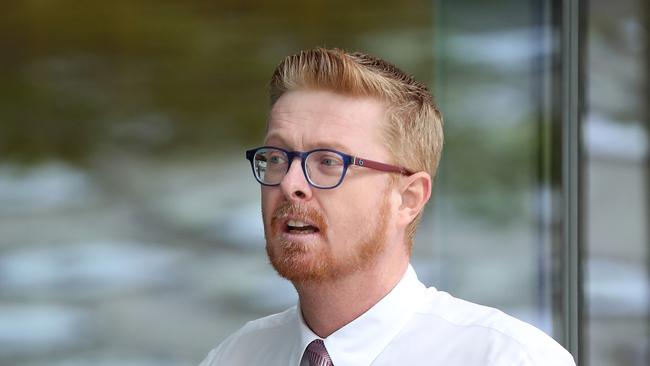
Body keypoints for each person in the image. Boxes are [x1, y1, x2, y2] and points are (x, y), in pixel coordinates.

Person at [200, 47, 576, 366]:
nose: (290, 183)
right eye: (278, 156)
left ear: (408, 199)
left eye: (328, 161)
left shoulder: (508, 359)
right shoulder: (233, 357)